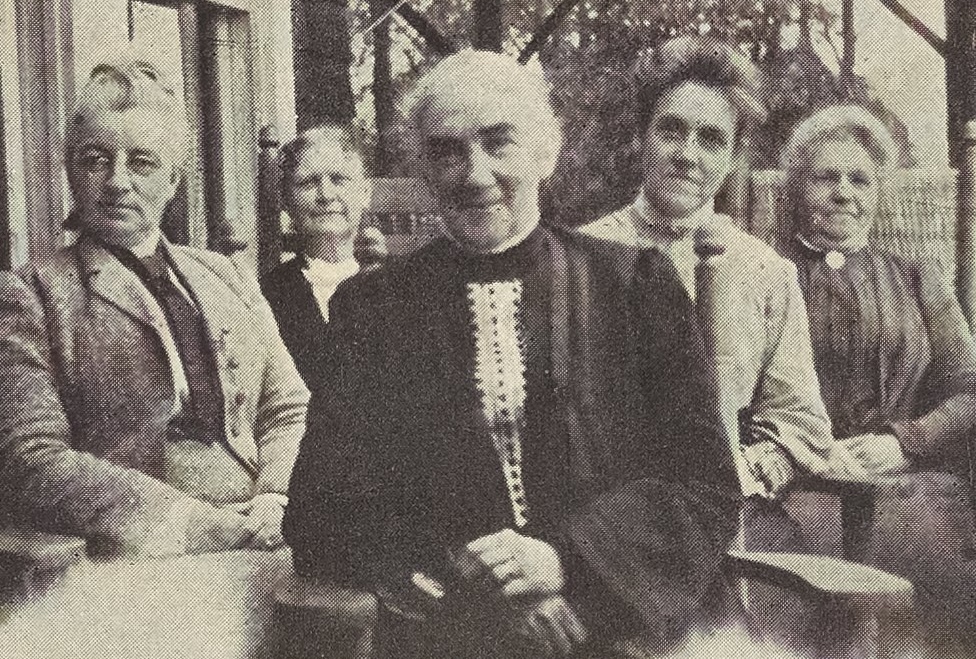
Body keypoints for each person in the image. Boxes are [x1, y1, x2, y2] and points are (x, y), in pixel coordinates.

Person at [284, 50, 742, 658]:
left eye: (498, 142)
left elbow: (704, 482)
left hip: (629, 610)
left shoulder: (634, 286)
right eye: (447, 151)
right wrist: (475, 580)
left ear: (543, 155)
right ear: (423, 170)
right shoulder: (376, 308)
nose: (474, 174)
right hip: (455, 624)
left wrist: (568, 562)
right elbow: (323, 506)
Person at [0, 59, 309, 556]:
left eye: (141, 162)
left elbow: (288, 408)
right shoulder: (31, 294)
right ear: (69, 173)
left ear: (172, 181)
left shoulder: (225, 276)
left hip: (265, 538)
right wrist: (185, 522)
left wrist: (276, 496)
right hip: (139, 565)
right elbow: (29, 460)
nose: (117, 181)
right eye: (95, 159)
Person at [577, 36, 842, 547]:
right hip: (601, 526)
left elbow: (802, 423)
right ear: (642, 138)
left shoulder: (766, 273)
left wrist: (743, 472)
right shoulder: (579, 257)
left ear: (735, 155)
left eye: (711, 139)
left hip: (724, 529)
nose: (687, 156)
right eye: (671, 132)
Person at [780, 104, 976, 652]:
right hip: (796, 493)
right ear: (799, 190)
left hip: (908, 493)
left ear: (878, 193)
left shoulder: (916, 277)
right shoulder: (763, 272)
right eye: (826, 178)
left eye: (859, 179)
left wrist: (904, 441)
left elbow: (970, 392)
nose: (844, 193)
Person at [261, 124, 387, 382]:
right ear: (286, 200)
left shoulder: (403, 284)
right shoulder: (266, 296)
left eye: (339, 180)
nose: (326, 195)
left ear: (365, 193)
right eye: (308, 183)